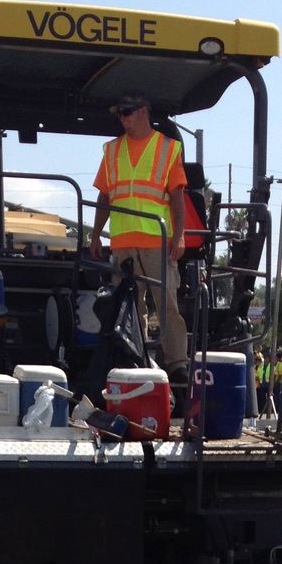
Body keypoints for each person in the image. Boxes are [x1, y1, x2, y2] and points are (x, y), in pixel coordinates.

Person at [89, 91, 189, 383]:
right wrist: (95, 235)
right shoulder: (111, 151)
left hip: (156, 241)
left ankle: (177, 364)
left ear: (144, 111)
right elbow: (104, 195)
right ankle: (136, 358)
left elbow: (177, 197)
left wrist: (179, 236)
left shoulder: (167, 148)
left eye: (128, 112)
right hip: (122, 242)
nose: (123, 118)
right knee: (129, 306)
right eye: (120, 113)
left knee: (166, 302)